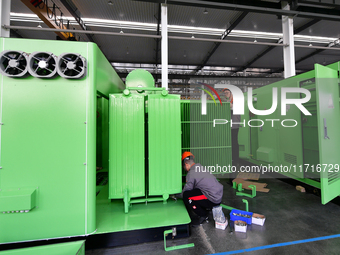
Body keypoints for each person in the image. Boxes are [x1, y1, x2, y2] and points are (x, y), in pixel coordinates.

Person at [180, 152, 224, 226]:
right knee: (195, 192)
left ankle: (203, 215)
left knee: (186, 195)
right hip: (218, 195)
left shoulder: (191, 173)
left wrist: (176, 196)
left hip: (212, 199)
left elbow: (187, 190)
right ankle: (208, 208)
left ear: (186, 165)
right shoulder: (201, 167)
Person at [223, 88, 241, 166]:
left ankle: (235, 160)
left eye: (227, 93)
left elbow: (233, 107)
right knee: (229, 142)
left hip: (234, 125)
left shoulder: (235, 100)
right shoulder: (229, 101)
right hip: (228, 125)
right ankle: (230, 158)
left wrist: (226, 101)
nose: (225, 94)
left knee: (234, 142)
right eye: (224, 93)